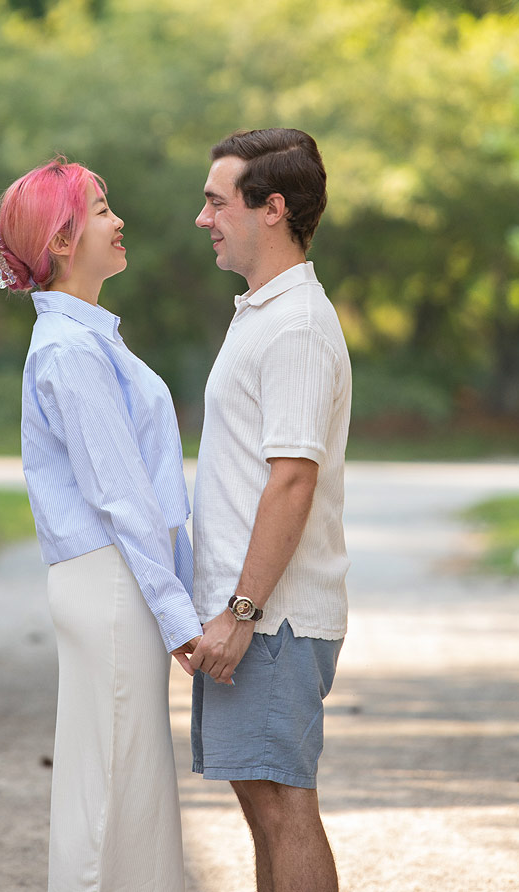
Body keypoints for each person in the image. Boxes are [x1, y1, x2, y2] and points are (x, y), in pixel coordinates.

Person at [0, 156, 202, 892]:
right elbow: (123, 496)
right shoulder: (71, 351)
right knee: (110, 789)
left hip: (116, 576)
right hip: (110, 578)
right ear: (64, 240)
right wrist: (180, 615)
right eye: (101, 208)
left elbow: (145, 496)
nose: (118, 219)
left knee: (127, 782)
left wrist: (179, 596)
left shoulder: (91, 339)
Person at [189, 128, 352, 892]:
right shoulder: (262, 312)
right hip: (256, 617)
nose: (203, 217)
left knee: (282, 805)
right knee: (264, 805)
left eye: (217, 201)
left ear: (273, 208)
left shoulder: (295, 326)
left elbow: (292, 481)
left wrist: (241, 610)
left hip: (272, 622)